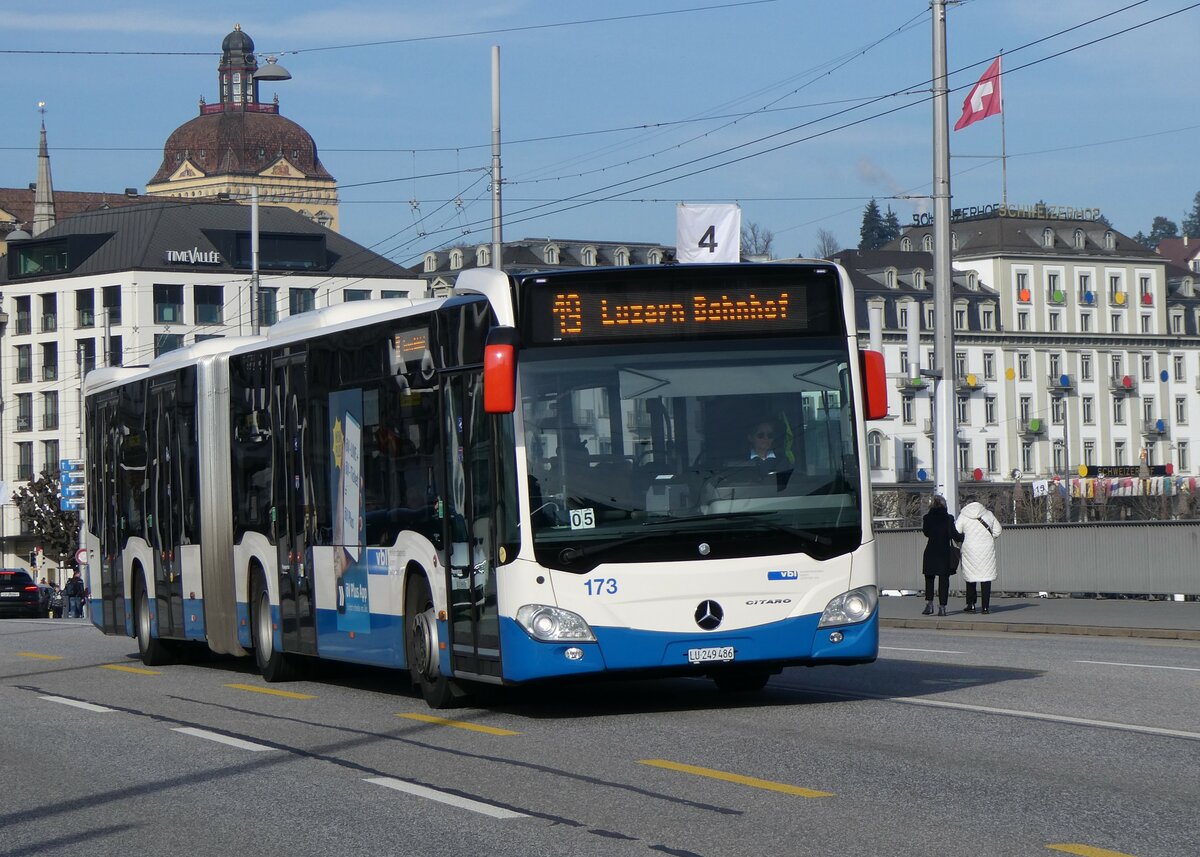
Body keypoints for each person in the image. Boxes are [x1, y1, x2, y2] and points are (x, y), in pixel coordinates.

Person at [955, 499, 1002, 613]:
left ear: (967, 504)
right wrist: (990, 539)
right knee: (986, 578)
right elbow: (998, 530)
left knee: (971, 577)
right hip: (986, 549)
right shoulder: (988, 514)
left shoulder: (963, 516)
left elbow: (957, 531)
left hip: (969, 549)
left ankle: (971, 604)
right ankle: (985, 607)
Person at [921, 495, 962, 616]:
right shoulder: (948, 518)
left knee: (929, 578)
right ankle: (942, 607)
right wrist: (963, 537)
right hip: (944, 552)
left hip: (931, 551)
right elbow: (954, 534)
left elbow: (926, 533)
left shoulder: (927, 518)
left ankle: (929, 605)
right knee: (944, 580)